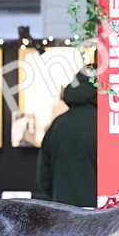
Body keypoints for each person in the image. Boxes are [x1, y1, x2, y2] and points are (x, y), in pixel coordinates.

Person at [36, 72, 97, 208]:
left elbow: (44, 178)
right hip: (100, 212)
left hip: (63, 211)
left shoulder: (58, 124)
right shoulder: (106, 126)